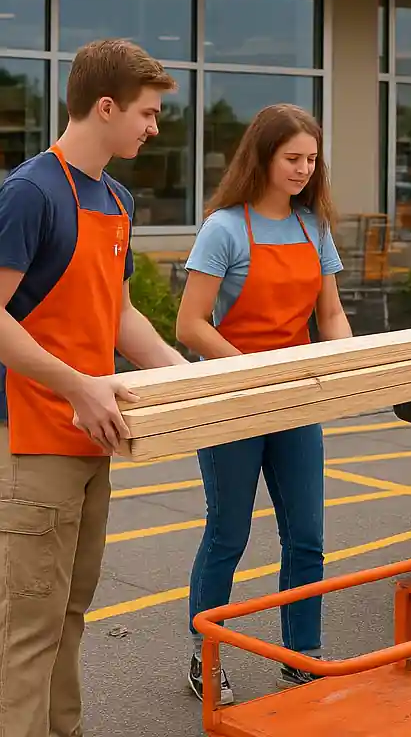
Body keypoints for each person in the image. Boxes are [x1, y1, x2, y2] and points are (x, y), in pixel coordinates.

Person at [0, 38, 187, 737]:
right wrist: (78, 386)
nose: (154, 127)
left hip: (91, 434)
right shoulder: (30, 193)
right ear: (105, 107)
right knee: (29, 625)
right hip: (32, 438)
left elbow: (120, 314)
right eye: (147, 112)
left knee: (69, 612)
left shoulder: (116, 197)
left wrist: (183, 375)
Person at [175, 103, 352, 706]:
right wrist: (251, 372)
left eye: (311, 160)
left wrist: (349, 361)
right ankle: (206, 654)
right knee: (228, 533)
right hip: (233, 401)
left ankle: (303, 655)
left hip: (295, 401)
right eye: (292, 158)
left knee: (307, 536)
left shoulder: (314, 228)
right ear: (262, 156)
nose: (303, 170)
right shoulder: (223, 228)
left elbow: (331, 314)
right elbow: (190, 325)